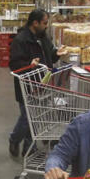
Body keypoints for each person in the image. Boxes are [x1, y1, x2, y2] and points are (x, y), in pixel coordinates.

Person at [8, 9, 67, 158]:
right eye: (44, 23)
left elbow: (48, 57)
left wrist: (55, 54)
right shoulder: (21, 40)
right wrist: (29, 64)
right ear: (35, 23)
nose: (46, 26)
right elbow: (14, 64)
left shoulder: (43, 38)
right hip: (27, 86)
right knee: (27, 118)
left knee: (35, 119)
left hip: (43, 84)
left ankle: (29, 148)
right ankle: (14, 139)